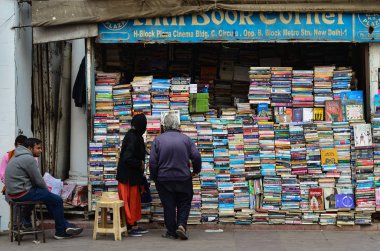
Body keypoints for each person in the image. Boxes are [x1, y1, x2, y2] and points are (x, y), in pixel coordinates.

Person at [4, 138, 83, 240]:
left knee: (50, 200)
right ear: (29, 148)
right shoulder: (28, 159)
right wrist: (48, 191)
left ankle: (66, 226)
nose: (40, 150)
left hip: (14, 193)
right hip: (22, 193)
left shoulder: (16, 156)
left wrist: (47, 194)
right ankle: (61, 231)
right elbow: (38, 180)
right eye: (38, 148)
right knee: (57, 199)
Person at [149, 113, 201, 240]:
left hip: (164, 179)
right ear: (178, 125)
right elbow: (196, 156)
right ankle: (181, 225)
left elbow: (152, 162)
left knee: (169, 205)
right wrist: (196, 171)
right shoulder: (186, 139)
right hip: (183, 178)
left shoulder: (158, 140)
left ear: (164, 126)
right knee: (184, 203)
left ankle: (171, 232)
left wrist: (155, 177)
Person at [117, 114, 149, 237]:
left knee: (134, 202)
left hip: (132, 177)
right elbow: (127, 158)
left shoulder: (135, 136)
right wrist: (140, 163)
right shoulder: (132, 137)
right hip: (127, 178)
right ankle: (129, 226)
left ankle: (133, 224)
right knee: (128, 202)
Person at [0, 135, 33, 231]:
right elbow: (2, 173)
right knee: (14, 202)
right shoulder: (8, 156)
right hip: (10, 188)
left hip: (26, 187)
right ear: (15, 146)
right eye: (19, 146)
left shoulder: (31, 157)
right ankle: (17, 224)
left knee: (28, 201)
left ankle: (22, 221)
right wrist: (10, 183)